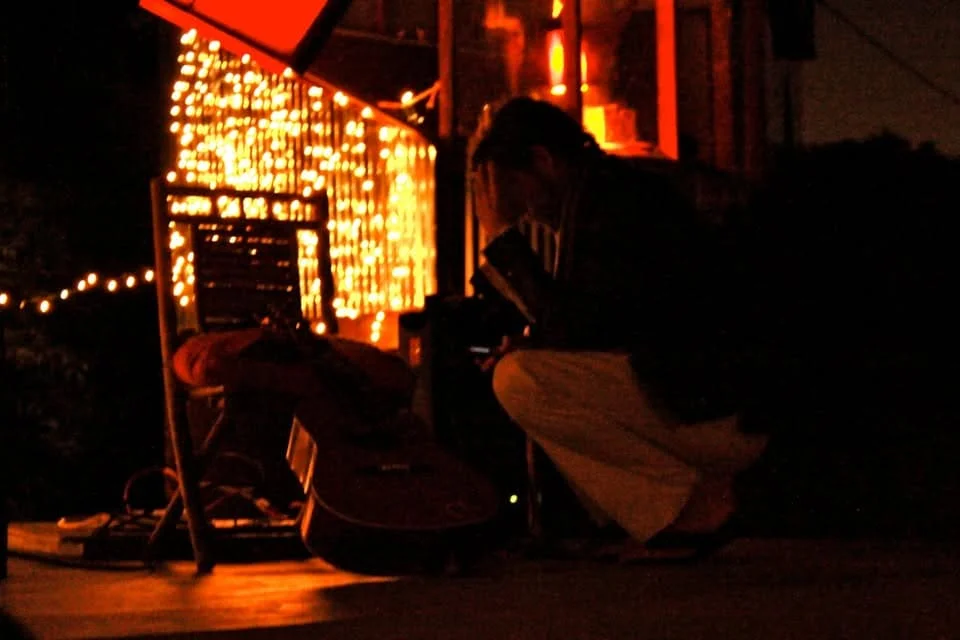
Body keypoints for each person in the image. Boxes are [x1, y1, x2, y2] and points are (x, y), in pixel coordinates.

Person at [470, 97, 768, 558]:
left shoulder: (615, 205)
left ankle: (688, 510)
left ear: (543, 161)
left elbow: (580, 326)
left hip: (711, 413)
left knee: (520, 380)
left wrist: (502, 239)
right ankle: (664, 511)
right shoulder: (611, 193)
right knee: (526, 368)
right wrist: (536, 341)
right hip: (709, 404)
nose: (519, 210)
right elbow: (606, 319)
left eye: (513, 188)